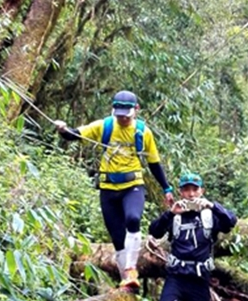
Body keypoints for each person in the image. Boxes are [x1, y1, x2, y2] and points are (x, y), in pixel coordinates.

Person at [54, 91, 174, 290]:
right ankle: (125, 280)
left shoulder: (143, 132)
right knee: (117, 238)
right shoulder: (105, 126)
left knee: (133, 219)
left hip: (132, 185)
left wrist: (166, 188)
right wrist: (62, 129)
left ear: (136, 110)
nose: (123, 119)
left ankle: (131, 269)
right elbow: (74, 134)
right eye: (119, 115)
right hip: (108, 189)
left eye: (127, 115)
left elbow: (154, 163)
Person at [147, 172, 237, 301]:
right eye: (186, 190)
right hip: (176, 279)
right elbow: (154, 230)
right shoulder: (175, 215)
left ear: (201, 191)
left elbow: (230, 222)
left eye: (195, 190)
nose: (191, 194)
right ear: (180, 192)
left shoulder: (210, 215)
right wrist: (170, 212)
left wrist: (212, 205)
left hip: (199, 280)